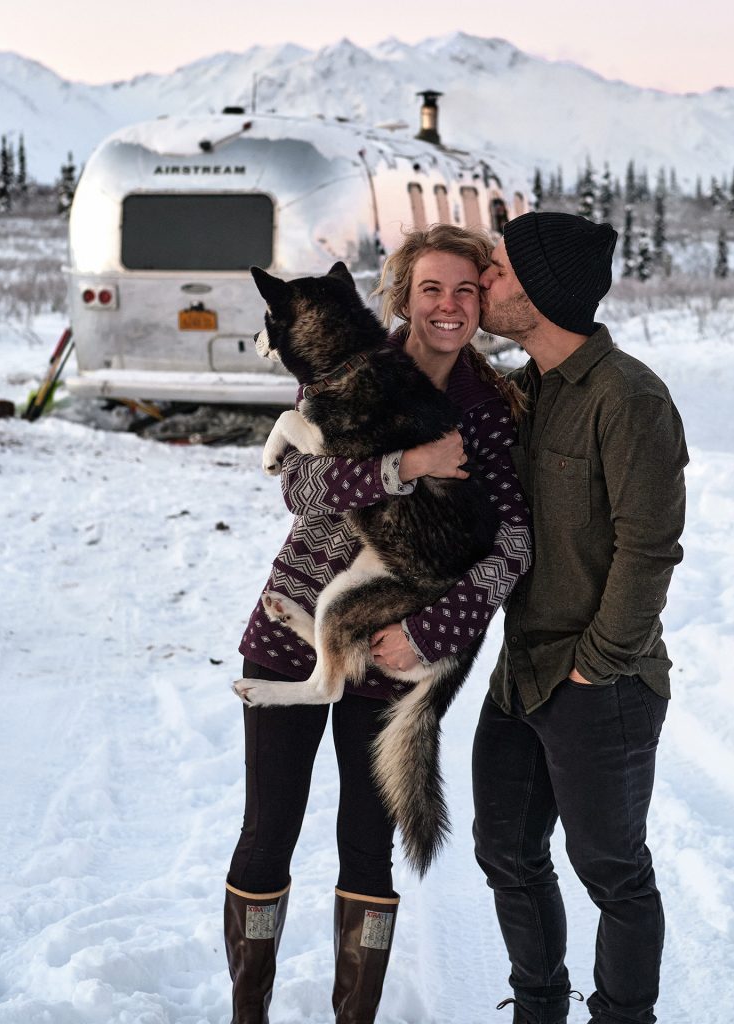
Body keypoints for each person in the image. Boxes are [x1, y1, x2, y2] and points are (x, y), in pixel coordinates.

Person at [224, 223, 532, 1024]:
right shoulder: (340, 358)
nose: (448, 306)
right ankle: (248, 1011)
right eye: (431, 288)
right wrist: (406, 466)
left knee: (367, 847)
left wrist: (432, 635)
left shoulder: (491, 411)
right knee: (267, 833)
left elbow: (511, 544)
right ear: (402, 296)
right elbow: (299, 489)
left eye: (465, 290)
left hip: (393, 639)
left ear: (483, 302)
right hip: (291, 624)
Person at [472, 212, 689, 1024]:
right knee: (505, 852)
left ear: (538, 291)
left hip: (603, 684)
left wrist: (596, 664)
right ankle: (539, 1009)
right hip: (520, 674)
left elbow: (649, 548)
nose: (484, 280)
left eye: (496, 269)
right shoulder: (521, 391)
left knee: (613, 873)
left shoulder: (629, 398)